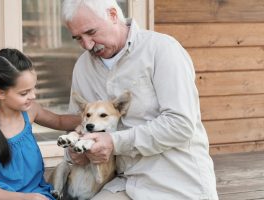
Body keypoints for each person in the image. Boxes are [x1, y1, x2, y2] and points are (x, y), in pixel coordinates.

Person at [61, 0, 219, 199]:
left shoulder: (162, 49)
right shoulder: (83, 67)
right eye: (78, 38)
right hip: (121, 184)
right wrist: (76, 153)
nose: (87, 45)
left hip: (177, 184)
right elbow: (80, 125)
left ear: (112, 15)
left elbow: (180, 124)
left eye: (91, 32)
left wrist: (114, 141)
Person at [0, 48, 80, 200]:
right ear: (0, 93)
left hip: (36, 194)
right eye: (24, 93)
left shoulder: (30, 111)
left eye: (33, 89)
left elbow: (60, 121)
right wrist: (24, 198)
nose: (33, 96)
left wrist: (91, 120)